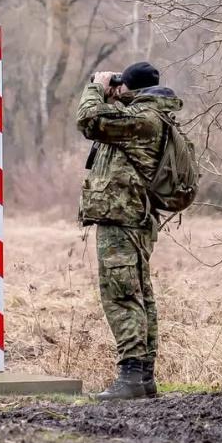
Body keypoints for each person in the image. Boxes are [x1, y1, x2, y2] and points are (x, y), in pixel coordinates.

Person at [76, 61, 183, 401]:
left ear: (130, 90)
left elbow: (90, 120)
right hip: (131, 217)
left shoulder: (143, 121)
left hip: (123, 217)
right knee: (139, 294)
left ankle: (131, 376)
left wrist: (96, 87)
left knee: (122, 294)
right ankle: (144, 377)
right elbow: (109, 123)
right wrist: (114, 93)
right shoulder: (149, 117)